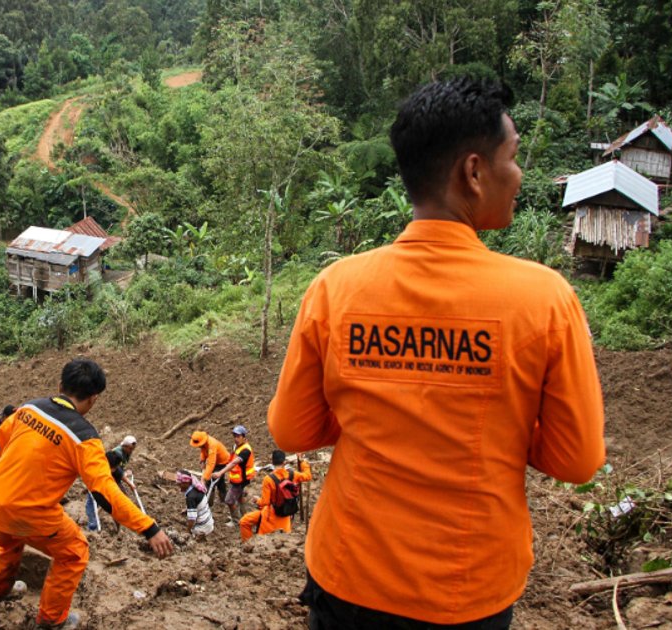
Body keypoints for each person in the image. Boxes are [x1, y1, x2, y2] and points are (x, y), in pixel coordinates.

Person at [268, 77, 605, 628]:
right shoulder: (543, 299)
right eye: (514, 158)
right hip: (469, 588)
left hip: (349, 576)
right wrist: (501, 421)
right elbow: (577, 461)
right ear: (473, 173)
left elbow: (293, 432)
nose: (519, 176)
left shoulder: (336, 288)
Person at [0, 358, 174, 629]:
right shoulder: (84, 438)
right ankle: (52, 620)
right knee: (75, 551)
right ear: (94, 398)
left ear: (60, 385)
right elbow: (103, 490)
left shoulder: (30, 408)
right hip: (29, 513)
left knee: (8, 543)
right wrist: (149, 528)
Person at [239, 450, 309, 542]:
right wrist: (302, 461)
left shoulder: (268, 479)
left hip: (270, 517)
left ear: (272, 462)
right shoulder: (292, 474)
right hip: (286, 515)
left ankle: (248, 544)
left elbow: (265, 502)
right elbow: (308, 476)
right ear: (284, 462)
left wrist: (257, 500)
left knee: (244, 521)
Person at [210, 425, 255, 522]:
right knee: (240, 498)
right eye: (234, 436)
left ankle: (236, 521)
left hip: (241, 480)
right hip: (236, 478)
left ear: (244, 437)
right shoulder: (236, 447)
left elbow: (235, 462)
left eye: (238, 436)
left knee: (229, 500)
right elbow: (231, 459)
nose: (236, 439)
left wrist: (220, 472)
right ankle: (246, 518)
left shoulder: (246, 450)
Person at [84, 449, 126, 532]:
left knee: (114, 507)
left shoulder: (116, 472)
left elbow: (119, 483)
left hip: (107, 488)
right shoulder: (95, 466)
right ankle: (92, 528)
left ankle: (118, 529)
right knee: (91, 505)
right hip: (95, 486)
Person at [189, 430, 232, 508]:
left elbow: (211, 463)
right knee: (220, 481)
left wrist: (204, 479)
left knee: (210, 481)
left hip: (222, 461)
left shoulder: (212, 444)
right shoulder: (204, 443)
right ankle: (224, 498)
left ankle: (208, 502)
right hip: (215, 461)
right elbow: (203, 450)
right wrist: (202, 460)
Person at [175, 471, 214, 536]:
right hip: (209, 523)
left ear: (186, 483)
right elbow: (198, 504)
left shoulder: (190, 497)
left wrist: (187, 531)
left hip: (202, 529)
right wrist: (187, 510)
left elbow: (192, 518)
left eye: (180, 483)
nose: (178, 485)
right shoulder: (198, 488)